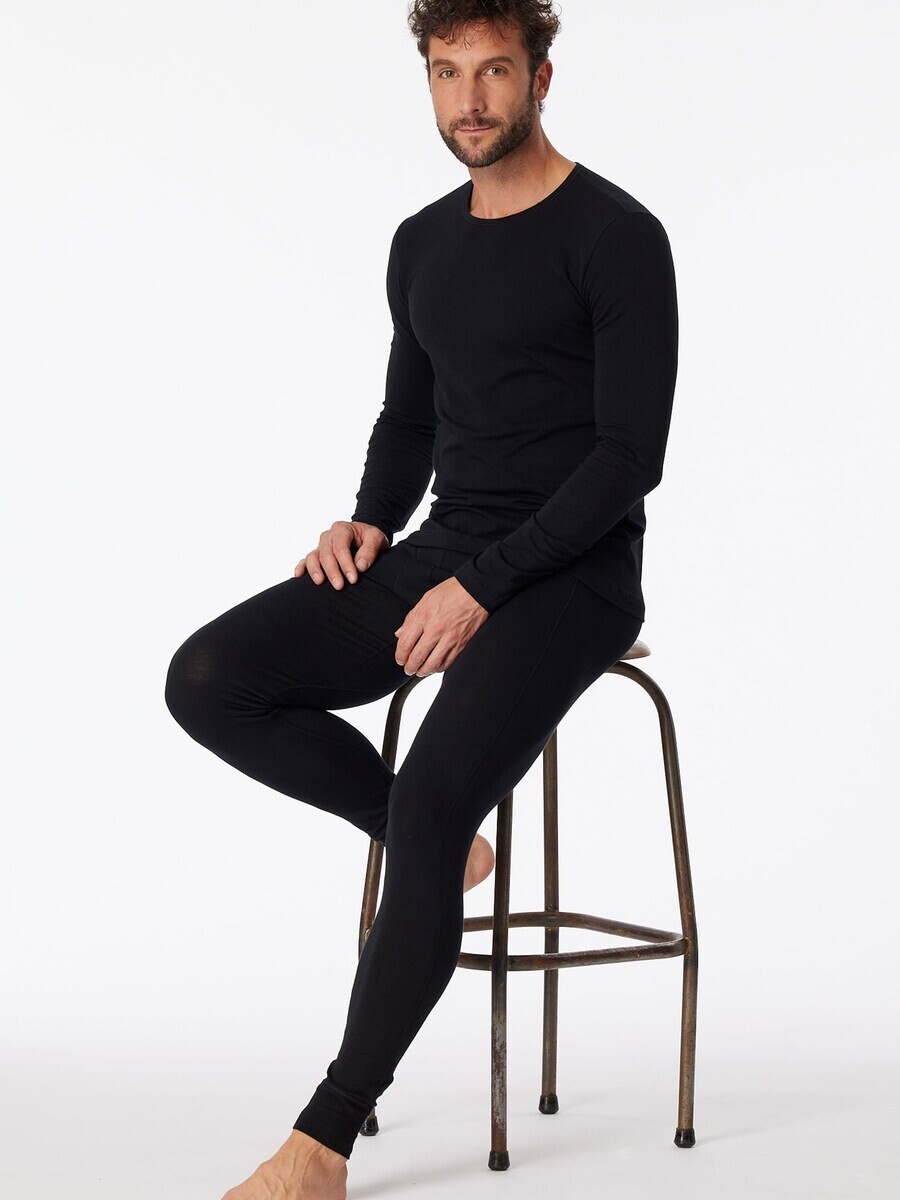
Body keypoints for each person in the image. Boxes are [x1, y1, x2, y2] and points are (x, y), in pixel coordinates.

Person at [164, 1, 679, 1196]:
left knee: (441, 790)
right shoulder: (421, 242)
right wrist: (370, 520)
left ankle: (321, 1143)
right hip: (446, 547)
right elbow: (410, 416)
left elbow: (628, 459)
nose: (470, 100)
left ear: (541, 77)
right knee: (209, 679)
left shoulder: (617, 236)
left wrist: (482, 588)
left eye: (494, 70)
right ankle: (425, 840)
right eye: (447, 73)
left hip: (576, 575)